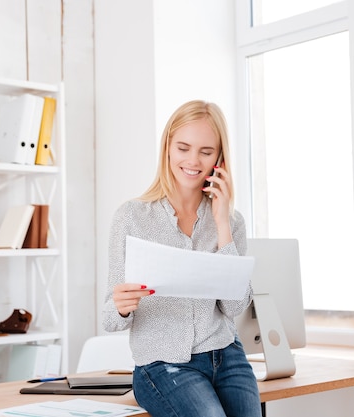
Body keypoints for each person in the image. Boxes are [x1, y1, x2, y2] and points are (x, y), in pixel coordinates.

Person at [102, 100, 262, 417]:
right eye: (184, 148)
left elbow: (233, 308)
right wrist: (121, 305)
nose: (193, 160)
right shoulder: (131, 217)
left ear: (219, 158)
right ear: (168, 149)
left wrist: (222, 224)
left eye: (205, 151)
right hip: (162, 364)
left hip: (226, 356)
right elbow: (109, 317)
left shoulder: (232, 221)